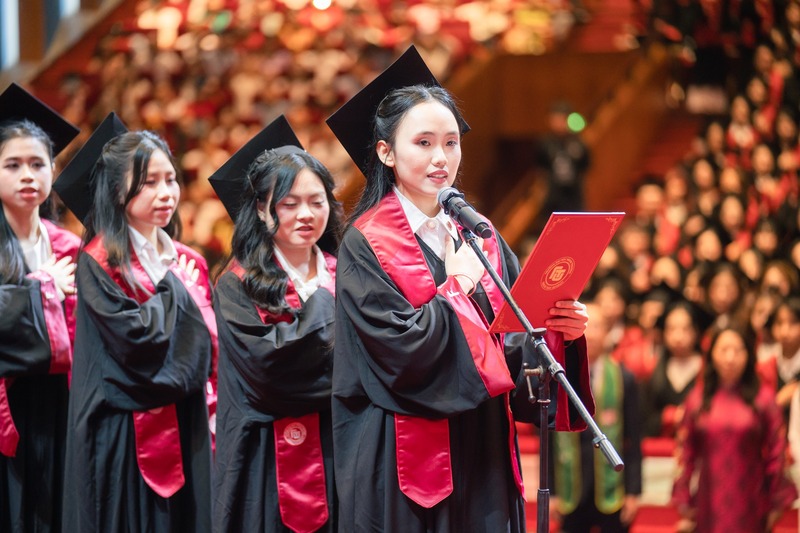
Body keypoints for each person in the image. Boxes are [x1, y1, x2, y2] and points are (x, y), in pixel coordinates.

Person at [325, 45, 593, 532]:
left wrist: (560, 332)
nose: (441, 158)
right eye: (423, 143)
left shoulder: (478, 233)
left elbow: (511, 342)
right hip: (406, 461)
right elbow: (399, 356)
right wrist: (458, 286)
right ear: (386, 152)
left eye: (451, 142)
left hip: (484, 452)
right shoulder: (365, 244)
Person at [57, 125, 216, 532]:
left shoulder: (188, 260)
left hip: (186, 421)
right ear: (116, 191)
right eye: (149, 182)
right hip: (121, 430)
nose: (166, 193)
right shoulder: (100, 262)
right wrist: (175, 290)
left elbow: (211, 347)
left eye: (170, 179)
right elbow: (136, 346)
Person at [209, 116, 342, 532]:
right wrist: (323, 303)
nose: (306, 214)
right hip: (264, 459)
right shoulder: (237, 285)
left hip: (343, 448)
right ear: (261, 209)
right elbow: (268, 378)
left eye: (317, 201)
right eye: (289, 203)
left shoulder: (350, 272)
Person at [0, 83, 80, 532]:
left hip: (59, 404)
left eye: (38, 164)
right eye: (12, 165)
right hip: (6, 404)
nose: (27, 175)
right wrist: (43, 287)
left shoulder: (67, 245)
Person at [672, 327, 797, 533]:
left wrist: (776, 500)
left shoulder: (764, 400)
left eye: (737, 350)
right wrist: (683, 496)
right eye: (724, 350)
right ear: (712, 354)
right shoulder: (697, 400)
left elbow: (777, 452)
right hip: (708, 496)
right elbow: (685, 451)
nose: (730, 358)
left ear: (748, 355)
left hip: (751, 497)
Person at [551, 302, 642, 533]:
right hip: (572, 488)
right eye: (586, 325)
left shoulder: (624, 378)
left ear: (608, 332)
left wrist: (633, 492)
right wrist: (552, 492)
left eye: (597, 326)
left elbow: (633, 439)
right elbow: (550, 439)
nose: (590, 333)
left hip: (613, 490)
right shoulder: (559, 376)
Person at [534, 100, 591, 229]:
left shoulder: (578, 142)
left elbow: (586, 165)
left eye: (561, 119)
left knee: (576, 227)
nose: (558, 123)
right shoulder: (545, 143)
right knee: (552, 228)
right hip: (553, 194)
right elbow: (540, 167)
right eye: (555, 119)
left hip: (574, 193)